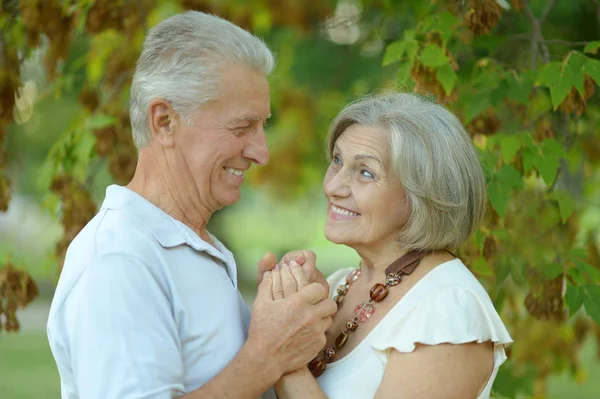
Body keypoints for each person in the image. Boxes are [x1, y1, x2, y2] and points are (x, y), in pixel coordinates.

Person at [46, 11, 336, 399]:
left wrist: (294, 315)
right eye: (241, 127)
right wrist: (267, 355)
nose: (262, 152)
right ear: (165, 121)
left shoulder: (190, 244)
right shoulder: (119, 258)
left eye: (262, 125)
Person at [266, 92, 513, 399]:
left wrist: (285, 353)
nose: (332, 187)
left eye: (365, 173)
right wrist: (303, 307)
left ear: (422, 195)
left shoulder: (447, 310)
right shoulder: (339, 284)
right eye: (337, 161)